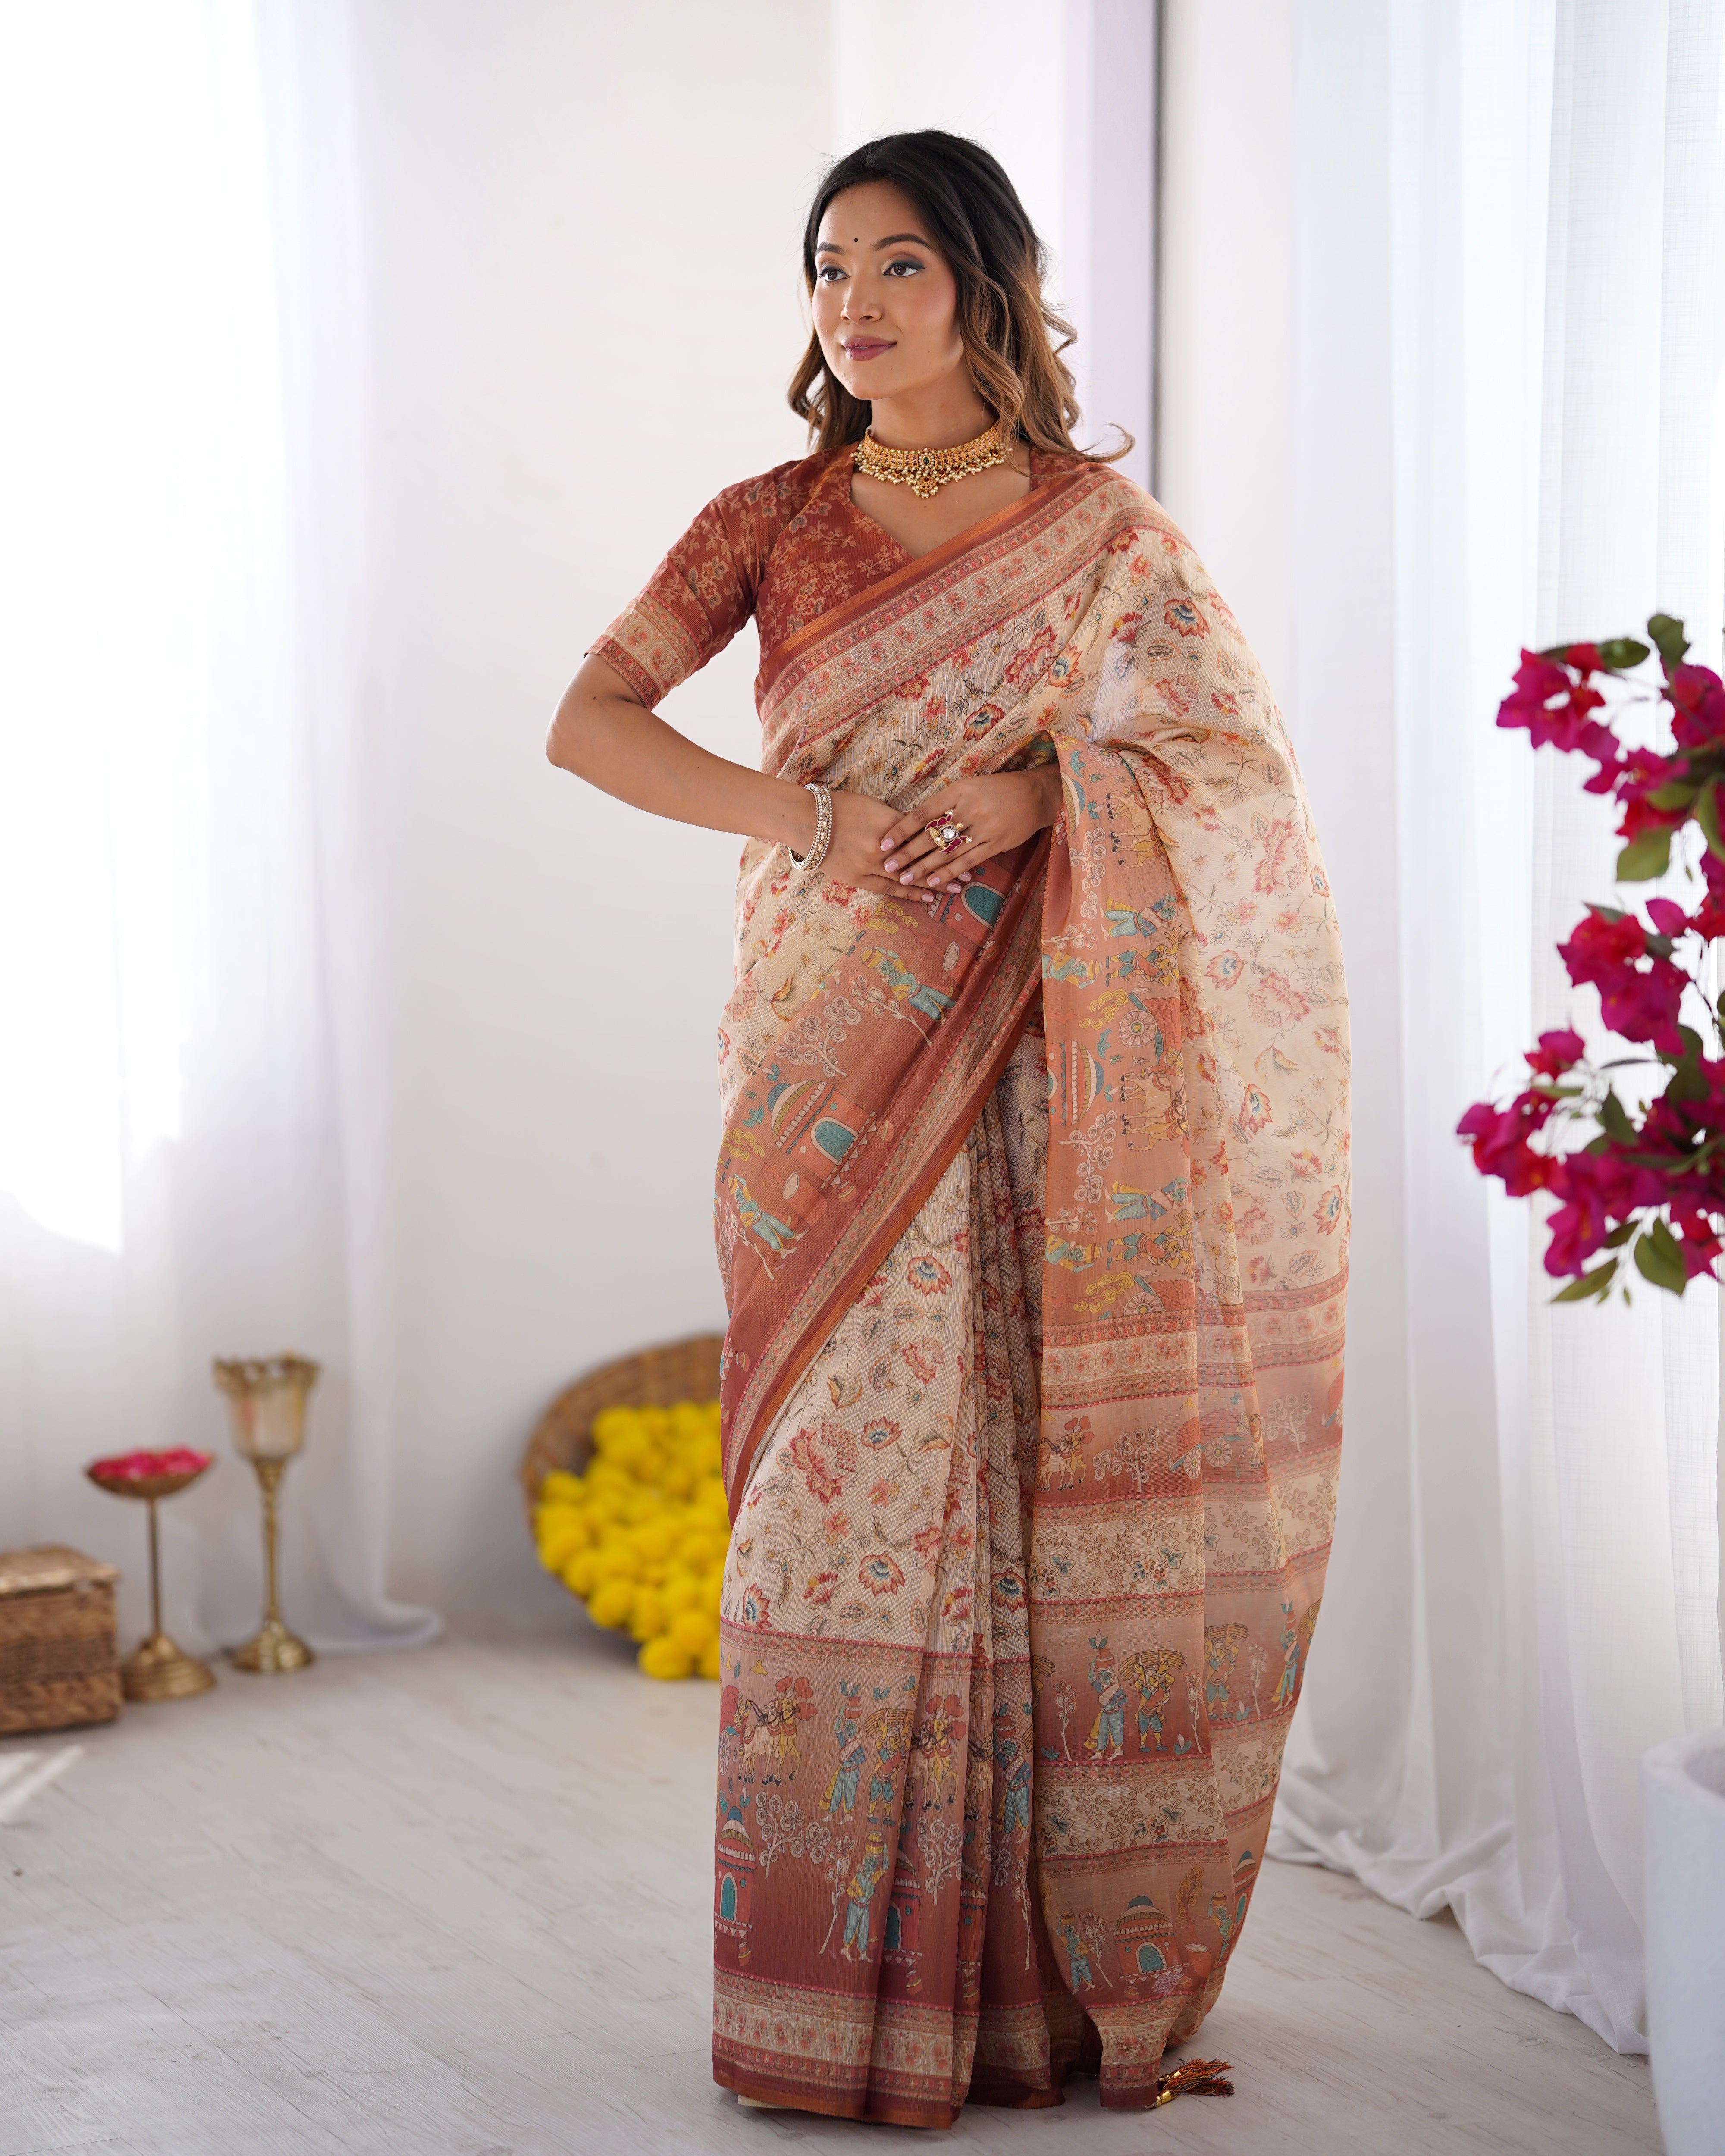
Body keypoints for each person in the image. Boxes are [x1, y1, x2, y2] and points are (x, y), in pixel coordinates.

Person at [548, 128, 1349, 2129]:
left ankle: (1021, 1999)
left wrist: (1036, 796)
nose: (854, 302)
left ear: (987, 283)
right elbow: (590, 720)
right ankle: (830, 1990)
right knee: (830, 1494)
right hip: (823, 1057)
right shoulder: (769, 515)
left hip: (1044, 1054)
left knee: (1017, 1475)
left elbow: (1235, 776)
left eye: (897, 263)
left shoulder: (1107, 537)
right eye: (830, 267)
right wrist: (812, 820)